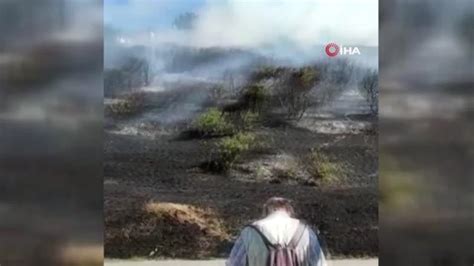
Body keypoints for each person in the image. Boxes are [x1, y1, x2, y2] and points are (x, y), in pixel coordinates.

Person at [226, 197, 327, 266]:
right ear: (289, 211)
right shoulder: (306, 231)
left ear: (266, 211)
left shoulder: (249, 232)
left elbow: (234, 264)